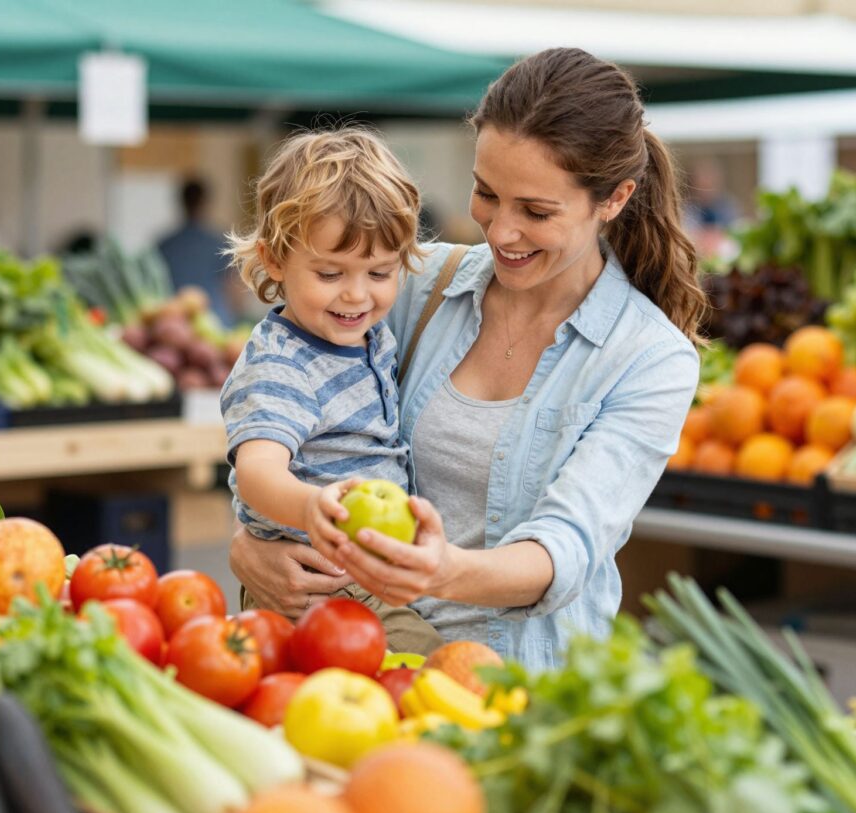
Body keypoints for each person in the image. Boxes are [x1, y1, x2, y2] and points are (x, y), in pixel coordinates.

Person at [231, 48, 707, 669]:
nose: (501, 231)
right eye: (486, 193)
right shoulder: (412, 284)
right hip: (353, 656)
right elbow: (288, 411)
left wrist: (440, 572)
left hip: (512, 680)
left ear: (614, 199)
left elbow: (564, 548)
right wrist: (253, 545)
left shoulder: (648, 358)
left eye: (536, 212)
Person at [222, 128, 444, 653]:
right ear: (274, 260)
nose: (356, 293)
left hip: (360, 577)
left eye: (380, 272)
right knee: (432, 670)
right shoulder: (282, 362)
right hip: (321, 586)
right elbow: (256, 472)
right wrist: (313, 509)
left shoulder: (369, 336)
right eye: (329, 273)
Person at [158, 178, 236, 326]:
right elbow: (233, 288)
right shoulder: (221, 243)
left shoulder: (165, 245)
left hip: (174, 324)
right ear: (205, 202)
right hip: (215, 322)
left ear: (182, 202)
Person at [682, 157, 740, 260]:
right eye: (702, 183)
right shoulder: (688, 208)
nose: (706, 187)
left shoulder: (727, 206)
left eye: (710, 181)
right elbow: (687, 234)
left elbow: (735, 232)